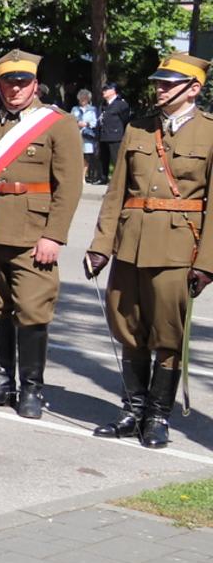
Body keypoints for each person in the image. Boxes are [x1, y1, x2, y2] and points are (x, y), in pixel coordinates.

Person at [0, 50, 85, 419]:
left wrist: (54, 236)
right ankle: (0, 383)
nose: (15, 88)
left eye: (23, 82)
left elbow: (69, 186)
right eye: (9, 82)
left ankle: (32, 390)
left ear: (35, 84)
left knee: (32, 311)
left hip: (33, 234)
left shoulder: (58, 123)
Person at [84, 52, 211, 449]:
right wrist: (101, 245)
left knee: (167, 335)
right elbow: (115, 193)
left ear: (194, 88)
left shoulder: (209, 132)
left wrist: (206, 263)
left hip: (178, 248)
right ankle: (133, 409)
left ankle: (158, 416)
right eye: (157, 82)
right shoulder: (138, 129)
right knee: (129, 328)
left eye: (168, 84)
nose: (159, 88)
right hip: (131, 244)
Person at [98, 82, 131, 184]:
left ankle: (119, 180)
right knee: (104, 159)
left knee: (116, 159)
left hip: (116, 136)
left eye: (106, 89)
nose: (103, 92)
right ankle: (104, 178)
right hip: (103, 135)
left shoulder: (121, 104)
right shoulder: (104, 104)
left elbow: (125, 120)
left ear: (113, 91)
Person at [73, 88, 103, 184]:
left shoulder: (93, 109)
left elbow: (95, 122)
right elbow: (70, 120)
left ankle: (84, 177)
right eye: (81, 99)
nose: (83, 101)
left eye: (85, 99)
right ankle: (77, 176)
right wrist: (77, 123)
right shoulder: (75, 109)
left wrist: (86, 124)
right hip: (77, 135)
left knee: (87, 157)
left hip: (88, 136)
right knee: (78, 156)